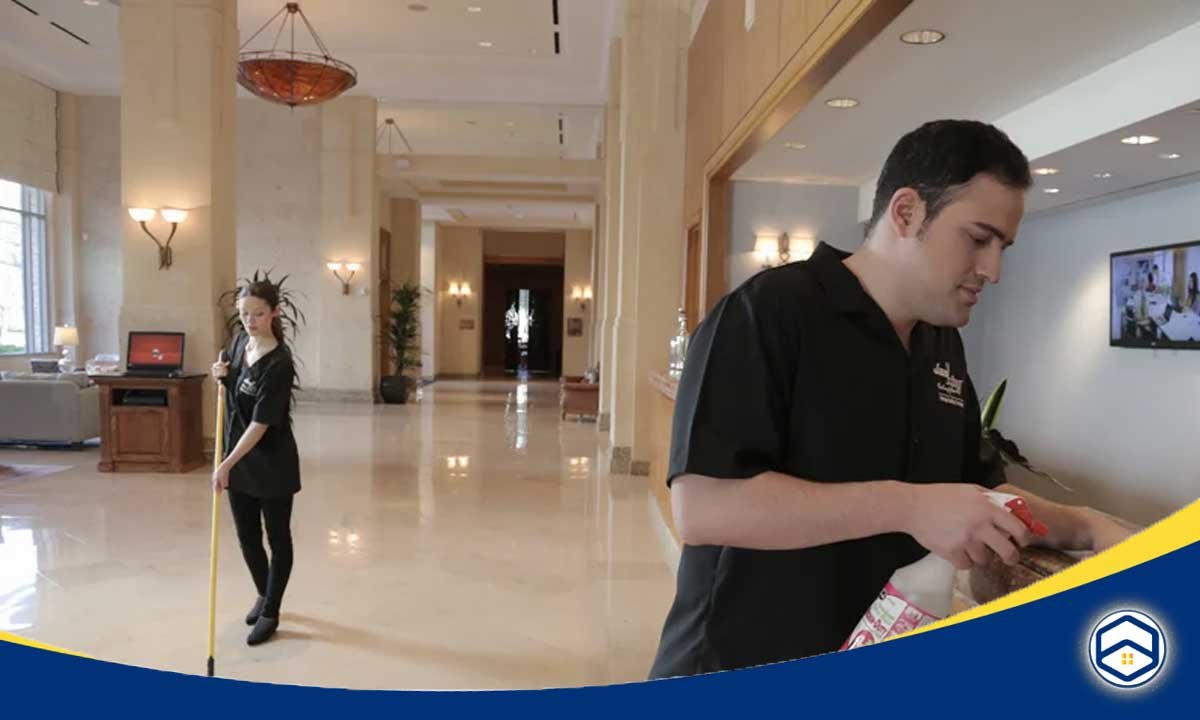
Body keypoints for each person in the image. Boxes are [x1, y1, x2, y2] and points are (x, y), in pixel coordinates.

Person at [648, 120, 1133, 679]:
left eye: (1003, 247)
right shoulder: (771, 313)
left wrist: (1090, 525)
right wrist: (910, 505)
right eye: (977, 239)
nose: (993, 271)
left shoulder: (940, 342)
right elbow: (704, 508)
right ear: (905, 213)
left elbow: (981, 492)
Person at [211, 278, 301, 646]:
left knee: (277, 539)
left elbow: (261, 424)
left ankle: (271, 611)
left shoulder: (279, 362)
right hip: (238, 458)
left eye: (259, 314)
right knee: (247, 537)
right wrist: (224, 376)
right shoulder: (237, 344)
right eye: (245, 313)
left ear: (274, 313)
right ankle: (263, 592)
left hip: (271, 463)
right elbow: (235, 391)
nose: (250, 320)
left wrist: (225, 464)